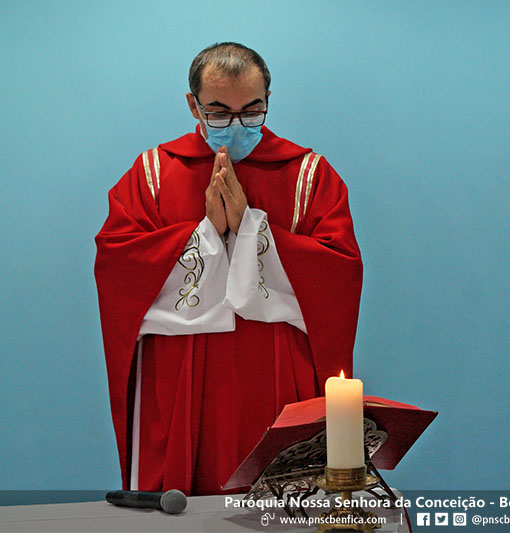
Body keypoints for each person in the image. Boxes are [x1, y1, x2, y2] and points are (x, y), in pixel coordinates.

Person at [94, 42, 363, 495]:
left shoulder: (309, 174)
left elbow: (339, 271)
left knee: (280, 500)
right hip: (180, 372)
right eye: (218, 113)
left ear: (268, 101)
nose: (236, 125)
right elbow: (119, 263)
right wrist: (204, 235)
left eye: (251, 110)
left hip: (276, 367)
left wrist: (250, 229)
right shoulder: (153, 173)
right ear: (192, 105)